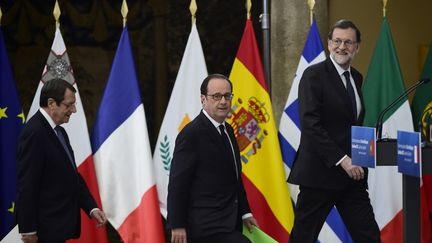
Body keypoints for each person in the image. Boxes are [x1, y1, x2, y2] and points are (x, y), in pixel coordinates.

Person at [288, 20, 381, 243]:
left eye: (348, 42)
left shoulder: (357, 77)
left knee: (369, 235)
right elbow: (311, 124)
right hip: (320, 174)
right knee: (304, 237)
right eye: (337, 41)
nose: (342, 46)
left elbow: (350, 123)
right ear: (329, 44)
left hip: (353, 178)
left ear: (357, 47)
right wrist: (342, 160)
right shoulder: (314, 75)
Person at [167, 74, 257, 243]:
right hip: (204, 226)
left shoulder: (229, 131)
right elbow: (178, 183)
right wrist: (177, 223)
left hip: (230, 221)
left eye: (227, 96)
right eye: (216, 96)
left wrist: (245, 212)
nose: (223, 101)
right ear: (203, 99)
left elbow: (235, 177)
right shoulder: (191, 134)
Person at [15, 79, 107, 243]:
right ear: (51, 103)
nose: (74, 110)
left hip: (57, 229)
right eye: (69, 105)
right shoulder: (35, 132)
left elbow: (71, 176)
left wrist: (91, 208)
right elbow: (27, 184)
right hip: (42, 232)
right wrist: (28, 229)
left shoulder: (60, 132)